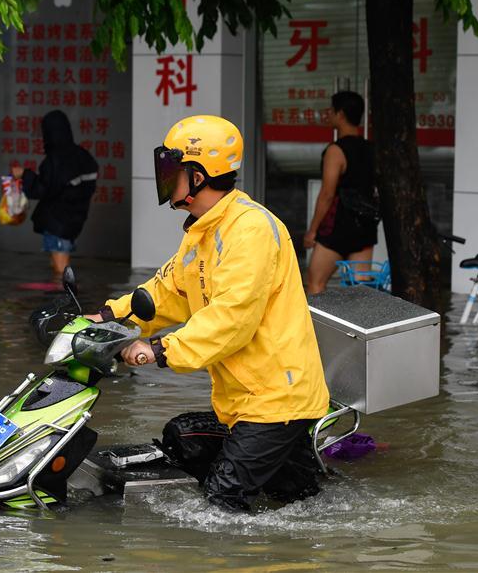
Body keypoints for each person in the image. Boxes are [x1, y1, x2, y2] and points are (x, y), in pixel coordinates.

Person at [87, 115, 330, 512]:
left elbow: (231, 319)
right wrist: (108, 317)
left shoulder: (249, 230)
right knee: (183, 440)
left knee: (222, 500)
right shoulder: (202, 231)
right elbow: (166, 292)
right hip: (244, 400)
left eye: (171, 170)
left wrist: (158, 349)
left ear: (198, 176)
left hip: (275, 400)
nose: (164, 179)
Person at [304, 91, 378, 294]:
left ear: (341, 114)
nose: (329, 115)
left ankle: (317, 326)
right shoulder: (372, 149)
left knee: (315, 284)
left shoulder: (335, 151)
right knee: (359, 289)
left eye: (331, 110)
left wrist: (312, 231)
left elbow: (327, 194)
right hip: (364, 226)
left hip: (337, 228)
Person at [12, 110, 98, 281]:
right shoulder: (82, 156)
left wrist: (24, 174)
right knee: (59, 265)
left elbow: (42, 188)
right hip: (75, 220)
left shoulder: (55, 161)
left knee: (61, 271)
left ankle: (66, 301)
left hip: (58, 223)